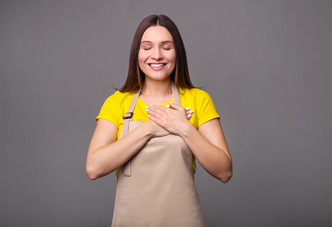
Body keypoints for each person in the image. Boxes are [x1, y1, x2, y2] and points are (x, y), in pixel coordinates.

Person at [86, 14, 232, 226]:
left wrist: (183, 128)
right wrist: (150, 129)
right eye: (147, 47)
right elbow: (94, 168)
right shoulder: (117, 102)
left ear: (177, 53)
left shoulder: (197, 99)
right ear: (137, 54)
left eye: (166, 47)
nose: (156, 55)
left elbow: (224, 171)